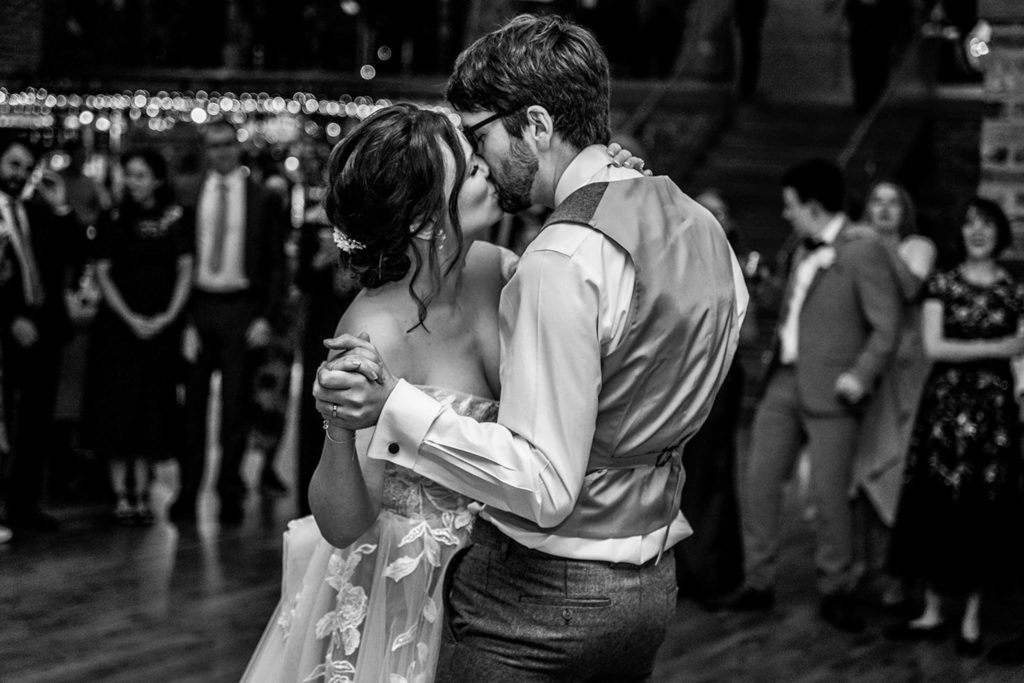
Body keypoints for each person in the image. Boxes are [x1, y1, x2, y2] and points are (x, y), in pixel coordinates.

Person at [315, 14, 747, 680]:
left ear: (538, 126)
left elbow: (562, 435)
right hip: (441, 587)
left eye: (478, 141)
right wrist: (342, 426)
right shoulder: (697, 226)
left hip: (531, 589)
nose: (485, 167)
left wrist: (607, 184)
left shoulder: (525, 267)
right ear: (423, 214)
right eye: (467, 162)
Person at [724, 159, 903, 633]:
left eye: (790, 206)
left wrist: (860, 377)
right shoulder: (801, 250)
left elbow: (887, 326)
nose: (786, 215)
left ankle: (836, 588)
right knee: (760, 482)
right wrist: (763, 286)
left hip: (833, 391)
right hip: (782, 382)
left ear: (814, 205)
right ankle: (758, 582)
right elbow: (793, 310)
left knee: (829, 497)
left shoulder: (861, 251)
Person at [884, 198, 1024, 658]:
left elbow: (1021, 352)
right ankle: (931, 610)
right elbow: (936, 347)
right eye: (969, 224)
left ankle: (971, 619)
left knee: (984, 512)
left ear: (999, 233)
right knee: (935, 504)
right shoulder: (942, 282)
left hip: (995, 417)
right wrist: (1000, 345)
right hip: (945, 413)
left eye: (985, 224)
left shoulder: (1015, 290)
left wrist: (1001, 350)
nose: (976, 232)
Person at [169, 120, 287, 525]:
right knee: (191, 410)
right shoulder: (188, 193)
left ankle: (230, 490)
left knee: (236, 408)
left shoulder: (262, 197)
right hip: (199, 307)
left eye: (226, 145)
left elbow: (276, 264)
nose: (220, 152)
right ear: (205, 150)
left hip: (243, 308)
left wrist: (266, 317)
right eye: (212, 146)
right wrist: (182, 320)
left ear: (238, 148)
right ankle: (187, 492)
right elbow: (178, 262)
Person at [84, 149, 193, 524]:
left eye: (140, 175)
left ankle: (145, 495)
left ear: (158, 179)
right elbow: (102, 272)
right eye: (128, 174)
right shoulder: (113, 217)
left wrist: (167, 318)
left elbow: (185, 269)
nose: (133, 182)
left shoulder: (176, 218)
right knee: (118, 409)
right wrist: (130, 318)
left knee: (153, 409)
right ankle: (120, 496)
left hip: (161, 331)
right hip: (118, 330)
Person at [849, 180, 935, 606]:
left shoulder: (917, 246)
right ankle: (867, 568)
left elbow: (910, 289)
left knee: (896, 469)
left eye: (892, 202)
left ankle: (901, 576)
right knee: (862, 470)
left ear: (905, 210)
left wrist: (880, 245)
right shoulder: (858, 250)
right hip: (868, 366)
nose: (883, 210)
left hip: (906, 368)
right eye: (876, 202)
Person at [673, 189, 753, 604]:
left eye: (720, 210)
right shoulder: (680, 256)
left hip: (718, 378)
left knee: (713, 475)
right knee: (686, 474)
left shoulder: (734, 264)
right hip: (682, 377)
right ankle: (688, 569)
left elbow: (745, 330)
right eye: (705, 208)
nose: (711, 215)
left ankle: (715, 575)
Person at [0, 135, 81, 535]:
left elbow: (71, 254)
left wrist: (62, 206)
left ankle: (25, 506)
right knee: (5, 426)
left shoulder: (36, 210)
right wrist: (11, 317)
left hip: (44, 330)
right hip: (8, 333)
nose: (19, 174)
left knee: (36, 423)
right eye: (13, 164)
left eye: (26, 167)